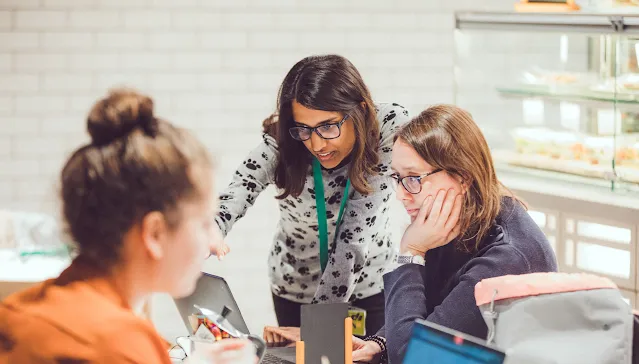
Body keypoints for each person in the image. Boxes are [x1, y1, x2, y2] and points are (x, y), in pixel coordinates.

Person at [0, 89, 254, 364]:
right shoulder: (120, 346)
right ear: (154, 233)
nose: (213, 239)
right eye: (205, 223)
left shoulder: (19, 311)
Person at [214, 54, 410, 335]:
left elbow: (356, 233)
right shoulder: (284, 144)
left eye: (328, 126)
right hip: (296, 286)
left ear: (361, 111)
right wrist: (212, 228)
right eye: (304, 129)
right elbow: (242, 185)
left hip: (371, 284)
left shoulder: (387, 127)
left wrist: (318, 330)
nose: (317, 144)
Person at [351, 104, 558, 363]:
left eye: (414, 178)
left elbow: (414, 358)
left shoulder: (508, 258)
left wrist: (410, 255)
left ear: (462, 177)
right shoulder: (452, 220)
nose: (401, 194)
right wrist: (381, 342)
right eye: (398, 177)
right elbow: (430, 314)